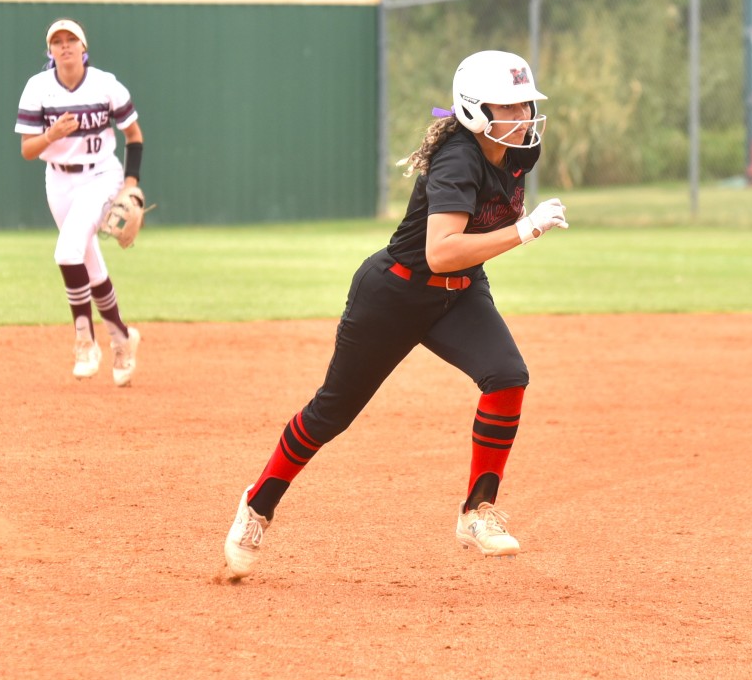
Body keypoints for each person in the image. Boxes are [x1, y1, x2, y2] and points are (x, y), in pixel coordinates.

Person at [223, 50, 569, 579]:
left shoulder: (519, 151)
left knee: (506, 377)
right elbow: (440, 252)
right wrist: (528, 230)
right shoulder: (457, 157)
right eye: (511, 107)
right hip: (395, 294)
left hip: (459, 294)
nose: (523, 117)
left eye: (526, 104)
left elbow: (459, 262)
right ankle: (258, 503)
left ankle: (478, 510)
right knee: (330, 414)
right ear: (476, 109)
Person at [14, 19, 145, 386]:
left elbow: (133, 135)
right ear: (50, 51)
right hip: (57, 179)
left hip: (101, 175)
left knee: (67, 252)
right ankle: (122, 338)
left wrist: (130, 185)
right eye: (57, 41)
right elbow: (27, 150)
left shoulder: (105, 84)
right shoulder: (38, 88)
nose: (65, 46)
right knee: (89, 263)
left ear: (83, 48)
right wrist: (51, 134)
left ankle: (85, 340)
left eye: (72, 40)